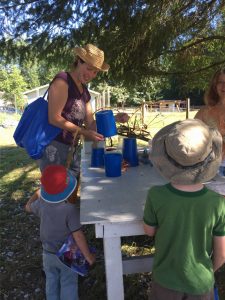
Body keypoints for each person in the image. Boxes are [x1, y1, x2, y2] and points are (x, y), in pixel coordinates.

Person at [143, 119, 225, 300]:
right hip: (201, 282)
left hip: (165, 280)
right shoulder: (217, 203)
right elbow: (221, 254)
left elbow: (149, 231)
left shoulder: (156, 195)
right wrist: (206, 273)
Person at [39, 43, 129, 177]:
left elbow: (91, 124)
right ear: (78, 61)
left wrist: (114, 119)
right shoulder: (62, 81)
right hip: (54, 148)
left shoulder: (84, 92)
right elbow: (54, 118)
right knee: (54, 193)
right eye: (89, 68)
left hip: (72, 148)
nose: (91, 75)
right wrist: (84, 132)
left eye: (95, 72)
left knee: (70, 190)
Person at [25, 164, 96, 300]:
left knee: (51, 282)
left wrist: (36, 194)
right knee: (68, 283)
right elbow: (78, 235)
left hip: (47, 254)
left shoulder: (40, 204)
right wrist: (88, 256)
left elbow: (27, 207)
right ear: (67, 189)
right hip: (67, 255)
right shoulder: (70, 210)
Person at [195, 68, 225, 160]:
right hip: (210, 167)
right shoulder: (204, 112)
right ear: (215, 86)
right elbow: (191, 137)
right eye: (221, 82)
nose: (224, 86)